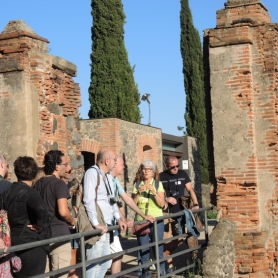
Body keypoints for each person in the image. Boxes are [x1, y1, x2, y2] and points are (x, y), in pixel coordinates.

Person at [3, 156, 51, 277]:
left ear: (16, 172)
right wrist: (41, 224)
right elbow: (42, 208)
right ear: (34, 173)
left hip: (13, 245)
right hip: (31, 245)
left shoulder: (6, 193)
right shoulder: (31, 193)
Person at [83, 148, 127, 278]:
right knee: (93, 263)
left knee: (106, 262)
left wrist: (118, 218)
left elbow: (111, 200)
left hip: (108, 225)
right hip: (98, 226)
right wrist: (96, 224)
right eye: (114, 159)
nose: (116, 161)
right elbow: (88, 200)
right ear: (107, 160)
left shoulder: (107, 176)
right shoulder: (92, 173)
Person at [109, 156, 155, 274]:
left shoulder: (115, 180)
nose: (124, 166)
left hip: (113, 224)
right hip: (104, 224)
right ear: (114, 165)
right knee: (103, 259)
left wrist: (123, 219)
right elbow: (126, 201)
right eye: (122, 164)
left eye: (149, 169)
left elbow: (123, 201)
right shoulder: (106, 180)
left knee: (117, 254)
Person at [34, 150, 76, 278]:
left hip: (42, 235)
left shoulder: (38, 184)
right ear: (57, 166)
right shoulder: (59, 184)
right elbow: (63, 212)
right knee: (60, 275)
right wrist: (72, 220)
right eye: (65, 164)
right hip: (59, 236)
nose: (67, 167)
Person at [159, 155, 199, 273]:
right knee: (167, 240)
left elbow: (190, 189)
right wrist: (166, 199)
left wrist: (196, 203)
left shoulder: (182, 174)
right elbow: (157, 194)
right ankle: (170, 266)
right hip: (166, 213)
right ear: (167, 166)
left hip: (180, 212)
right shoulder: (161, 176)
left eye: (177, 166)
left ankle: (161, 256)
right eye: (173, 167)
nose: (176, 169)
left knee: (179, 239)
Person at [132, 160, 165, 278]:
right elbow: (133, 204)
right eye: (144, 169)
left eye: (149, 169)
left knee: (158, 249)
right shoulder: (136, 185)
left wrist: (154, 193)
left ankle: (161, 274)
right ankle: (145, 275)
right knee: (143, 250)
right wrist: (138, 194)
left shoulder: (157, 184)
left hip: (156, 220)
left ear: (153, 171)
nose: (146, 171)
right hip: (141, 221)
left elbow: (162, 204)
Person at [63, 164, 80, 278]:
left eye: (71, 171)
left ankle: (72, 273)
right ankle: (69, 273)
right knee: (67, 248)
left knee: (74, 248)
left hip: (74, 218)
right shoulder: (59, 183)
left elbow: (78, 198)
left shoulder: (75, 183)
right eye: (69, 171)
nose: (71, 172)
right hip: (64, 219)